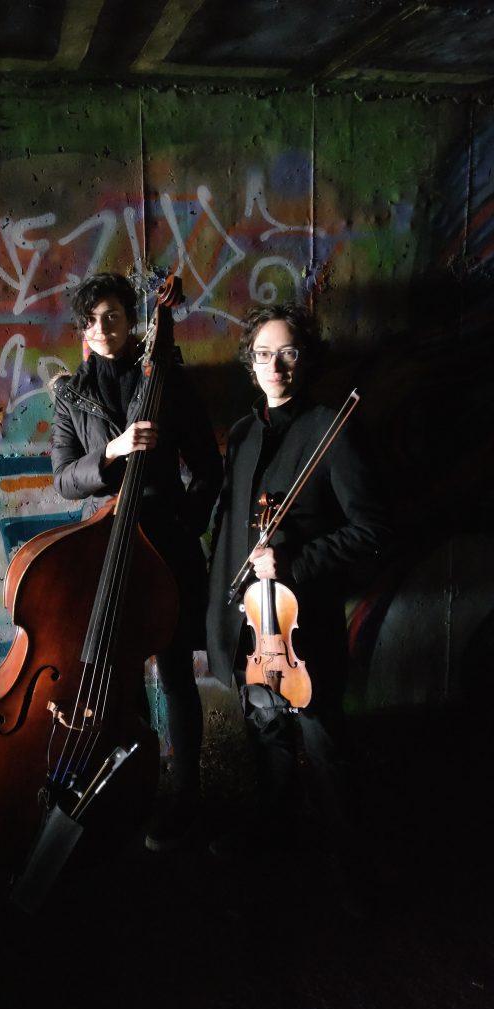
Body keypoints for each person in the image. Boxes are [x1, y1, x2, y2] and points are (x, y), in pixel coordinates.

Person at [206, 302, 392, 901]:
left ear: (304, 359)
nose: (275, 365)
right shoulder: (241, 434)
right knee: (265, 732)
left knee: (322, 738)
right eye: (264, 353)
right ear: (250, 363)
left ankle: (353, 867)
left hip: (304, 623)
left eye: (287, 352)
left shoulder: (331, 428)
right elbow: (232, 529)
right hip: (252, 625)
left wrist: (297, 561)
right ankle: (276, 830)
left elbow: (372, 528)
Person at [50, 272, 223, 852]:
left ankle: (187, 792)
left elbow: (208, 467)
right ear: (84, 328)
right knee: (115, 675)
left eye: (114, 317)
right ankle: (127, 786)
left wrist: (186, 524)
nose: (103, 329)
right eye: (92, 320)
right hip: (106, 544)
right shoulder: (70, 394)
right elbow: (63, 479)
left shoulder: (167, 381)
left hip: (167, 540)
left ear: (132, 321)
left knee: (175, 674)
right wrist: (112, 451)